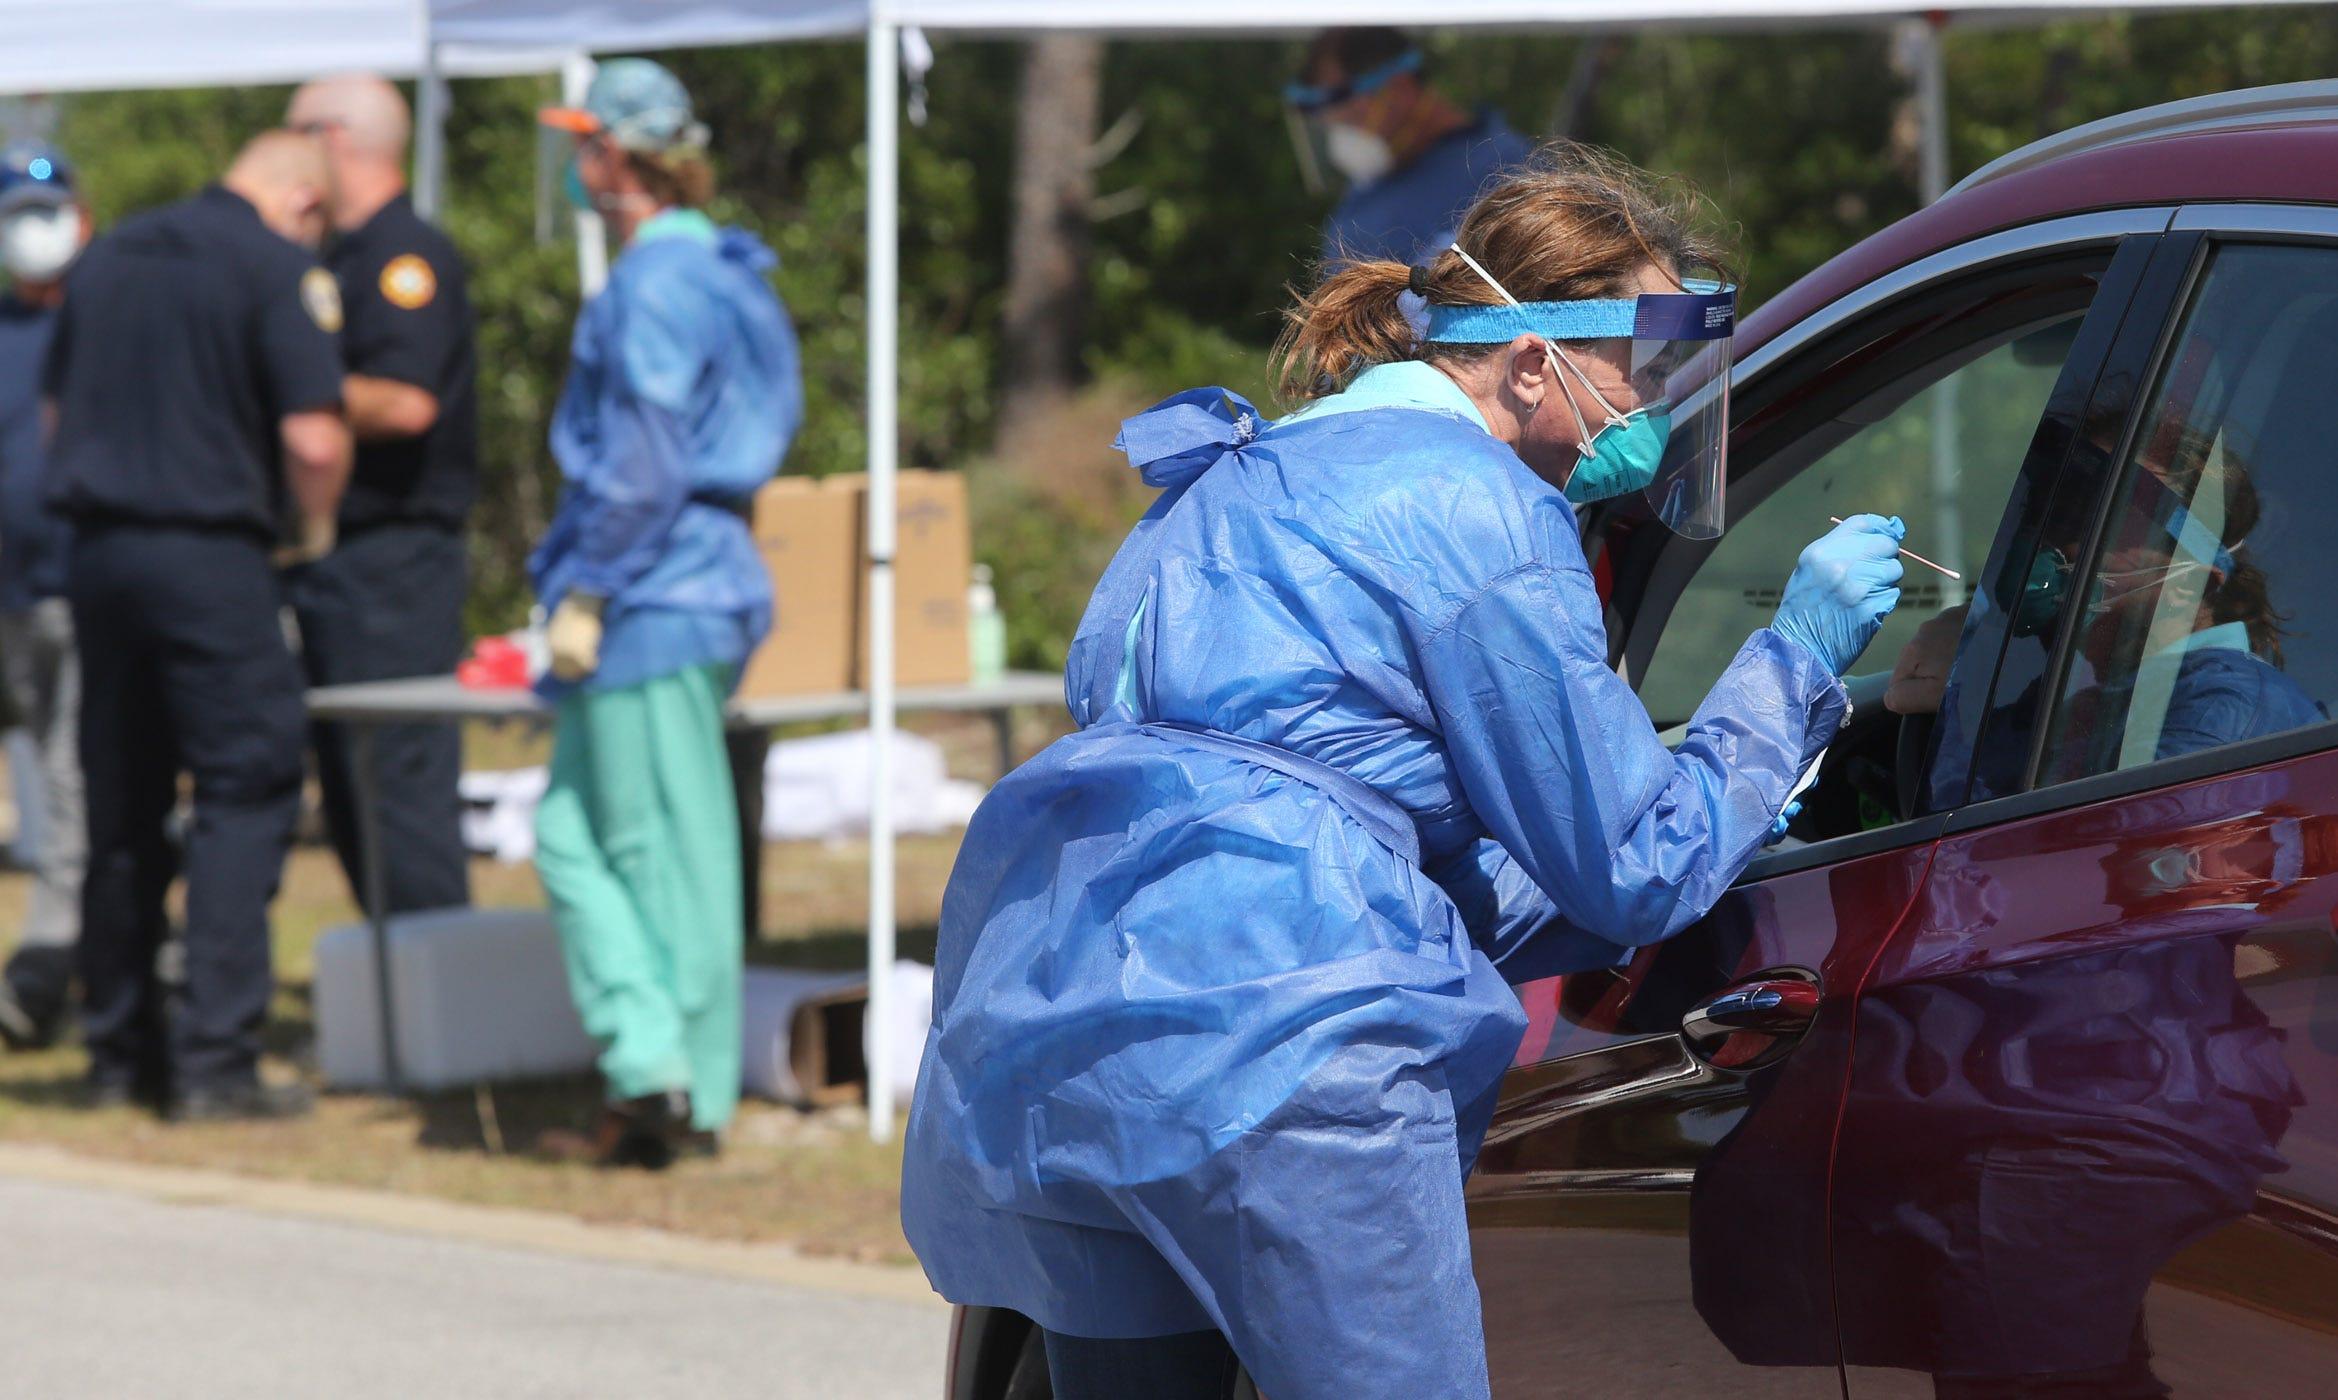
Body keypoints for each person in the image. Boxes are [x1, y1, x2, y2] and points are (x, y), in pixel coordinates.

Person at [902, 144, 1904, 1400]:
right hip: (1288, 1060)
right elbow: (1638, 863)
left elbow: (1325, 832)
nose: (1653, 409)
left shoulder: (1223, 484)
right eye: (1640, 373)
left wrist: (1729, 807)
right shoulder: (1480, 509)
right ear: (1531, 363)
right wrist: (1789, 672)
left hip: (1060, 1038)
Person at [529, 59, 802, 1169]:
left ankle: (664, 1079)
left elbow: (642, 458)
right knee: (599, 836)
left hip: (652, 584)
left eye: (582, 146)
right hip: (693, 575)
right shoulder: (726, 264)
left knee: (644, 848)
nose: (577, 168)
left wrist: (588, 580)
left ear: (614, 155)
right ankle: (660, 1069)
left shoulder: (656, 280)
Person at [44, 131, 350, 1119]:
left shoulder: (110, 255)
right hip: (210, 555)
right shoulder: (272, 267)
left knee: (121, 804)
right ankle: (217, 1057)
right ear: (303, 201)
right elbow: (312, 434)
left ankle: (118, 1053)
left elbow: (54, 412)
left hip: (97, 554)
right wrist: (312, 535)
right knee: (245, 785)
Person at [281, 75, 477, 921]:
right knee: (350, 782)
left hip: (394, 561)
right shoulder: (334, 255)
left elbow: (407, 400)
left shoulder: (404, 258)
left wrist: (295, 387)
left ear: (337, 139)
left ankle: (438, 989)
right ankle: (396, 995)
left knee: (399, 778)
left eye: (294, 134)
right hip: (339, 559)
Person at [0, 143, 90, 1051]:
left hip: (86, 588)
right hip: (13, 598)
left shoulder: (104, 316)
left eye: (49, 209)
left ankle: (49, 962)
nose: (37, 230)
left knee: (73, 782)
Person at [1288, 27, 1533, 267]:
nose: (1340, 136)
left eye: (1350, 119)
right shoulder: (1366, 191)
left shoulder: (1511, 170)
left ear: (1401, 88)